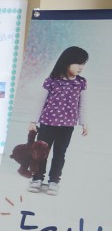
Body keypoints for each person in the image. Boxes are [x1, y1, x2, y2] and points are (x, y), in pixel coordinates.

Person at [28, 46, 89, 195]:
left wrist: (84, 123)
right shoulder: (51, 81)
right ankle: (37, 179)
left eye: (83, 63)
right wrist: (33, 121)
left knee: (60, 154)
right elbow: (40, 102)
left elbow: (83, 104)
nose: (81, 67)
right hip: (48, 124)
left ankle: (54, 181)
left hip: (67, 126)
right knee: (41, 153)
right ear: (66, 62)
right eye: (78, 63)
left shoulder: (80, 83)